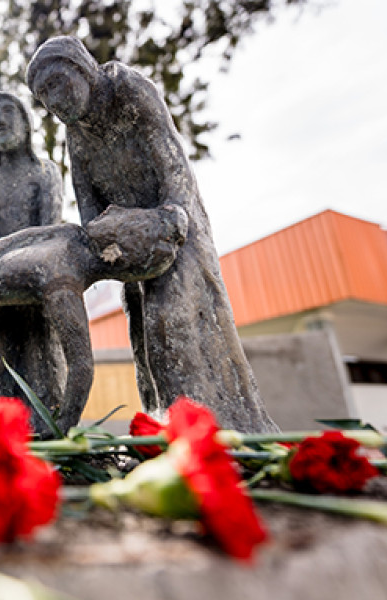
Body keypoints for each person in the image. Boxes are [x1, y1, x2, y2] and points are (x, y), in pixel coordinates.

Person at [26, 36, 277, 432]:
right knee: (143, 332)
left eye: (56, 84)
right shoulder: (76, 132)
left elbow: (171, 159)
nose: (53, 101)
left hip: (172, 227)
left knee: (171, 320)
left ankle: (204, 428)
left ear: (81, 68)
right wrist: (100, 239)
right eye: (43, 97)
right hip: (127, 242)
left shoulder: (128, 90)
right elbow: (86, 198)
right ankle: (164, 425)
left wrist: (173, 215)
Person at [0, 203, 187, 435]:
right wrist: (64, 425)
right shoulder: (64, 282)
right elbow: (81, 367)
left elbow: (12, 242)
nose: (109, 210)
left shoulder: (70, 237)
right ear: (122, 266)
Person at [0, 92, 66, 423]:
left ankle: (46, 428)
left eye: (8, 111)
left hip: (35, 294)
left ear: (26, 122)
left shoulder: (45, 174)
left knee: (42, 374)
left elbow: (48, 237)